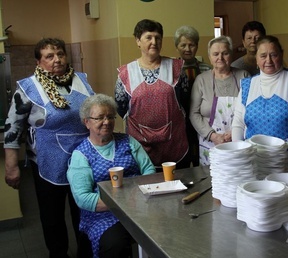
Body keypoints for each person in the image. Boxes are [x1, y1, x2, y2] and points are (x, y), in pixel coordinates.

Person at [4, 38, 94, 257]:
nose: (57, 60)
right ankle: (58, 253)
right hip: (46, 162)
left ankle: (86, 252)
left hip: (83, 160)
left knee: (84, 212)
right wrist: (12, 166)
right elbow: (13, 127)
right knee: (52, 216)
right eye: (49, 56)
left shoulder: (81, 80)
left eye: (60, 54)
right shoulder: (28, 88)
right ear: (38, 61)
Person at [68, 94, 155, 258]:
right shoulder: (81, 155)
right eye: (99, 118)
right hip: (103, 214)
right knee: (115, 244)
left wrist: (140, 197)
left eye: (110, 116)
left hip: (141, 205)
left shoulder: (128, 141)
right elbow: (83, 197)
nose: (106, 122)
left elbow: (148, 170)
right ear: (86, 122)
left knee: (164, 230)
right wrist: (122, 204)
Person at [232, 35, 288, 160]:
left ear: (281, 55)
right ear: (256, 59)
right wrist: (238, 153)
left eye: (273, 55)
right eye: (263, 56)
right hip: (254, 159)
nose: (268, 60)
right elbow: (238, 124)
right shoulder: (247, 85)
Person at [115, 19, 189, 169]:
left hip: (174, 145)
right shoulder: (126, 73)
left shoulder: (176, 68)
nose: (154, 42)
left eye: (158, 37)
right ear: (138, 41)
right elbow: (121, 107)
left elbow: (186, 100)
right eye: (148, 37)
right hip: (140, 146)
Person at [190, 36, 249, 165]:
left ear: (231, 55)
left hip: (237, 141)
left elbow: (251, 110)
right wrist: (213, 136)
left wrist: (235, 132)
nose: (220, 58)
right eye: (215, 54)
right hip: (210, 142)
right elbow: (193, 113)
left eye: (225, 53)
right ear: (210, 57)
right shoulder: (201, 80)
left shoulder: (244, 76)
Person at [174, 25, 212, 167]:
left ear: (197, 46)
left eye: (192, 45)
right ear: (177, 47)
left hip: (202, 120)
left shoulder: (207, 69)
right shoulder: (172, 70)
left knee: (200, 158)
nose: (187, 49)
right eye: (183, 45)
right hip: (180, 123)